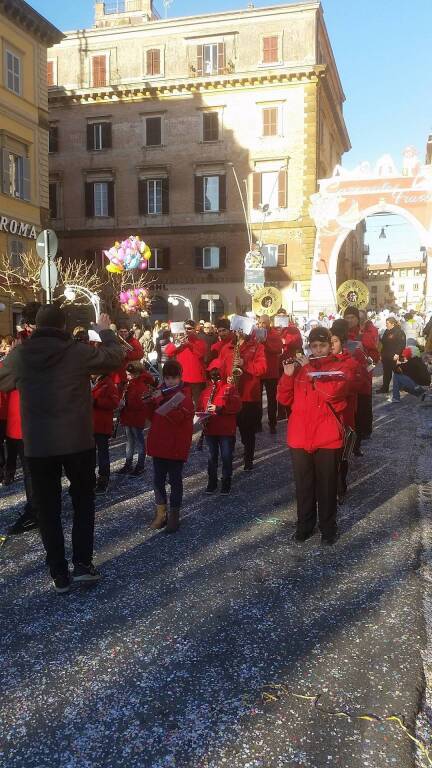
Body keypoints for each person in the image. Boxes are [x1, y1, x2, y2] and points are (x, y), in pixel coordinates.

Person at [0, 306, 124, 593]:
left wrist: (16, 356)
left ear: (34, 326)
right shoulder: (77, 351)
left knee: (48, 509)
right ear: (64, 325)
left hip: (39, 444)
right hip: (77, 441)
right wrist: (105, 331)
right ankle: (82, 564)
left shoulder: (21, 354)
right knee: (83, 502)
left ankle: (58, 572)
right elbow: (115, 358)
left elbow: (3, 381)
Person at [277, 326, 349, 545]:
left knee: (327, 486)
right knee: (304, 485)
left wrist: (310, 371)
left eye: (322, 345)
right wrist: (288, 377)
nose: (317, 349)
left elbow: (332, 393)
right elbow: (283, 399)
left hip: (326, 435)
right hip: (300, 435)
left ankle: (328, 528)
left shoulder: (338, 367)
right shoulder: (299, 369)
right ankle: (304, 525)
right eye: (314, 345)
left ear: (329, 345)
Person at [146, 360, 195, 533]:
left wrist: (159, 401)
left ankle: (174, 515)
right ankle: (161, 514)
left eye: (174, 378)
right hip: (160, 444)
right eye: (167, 378)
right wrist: (149, 401)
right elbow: (152, 418)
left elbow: (177, 418)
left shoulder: (185, 395)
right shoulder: (161, 391)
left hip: (175, 445)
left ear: (180, 377)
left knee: (175, 481)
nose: (170, 382)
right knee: (158, 481)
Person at [217, 328, 267, 470]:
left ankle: (248, 460)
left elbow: (262, 368)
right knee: (228, 432)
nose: (239, 332)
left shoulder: (257, 346)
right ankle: (228, 459)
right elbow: (220, 367)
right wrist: (223, 378)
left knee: (248, 433)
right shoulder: (226, 347)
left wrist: (245, 363)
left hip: (248, 397)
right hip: (230, 394)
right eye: (237, 329)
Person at [197, 362, 241, 494]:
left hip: (226, 430)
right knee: (212, 457)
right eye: (213, 376)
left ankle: (226, 481)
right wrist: (201, 416)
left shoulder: (230, 388)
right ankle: (212, 482)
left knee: (226, 456)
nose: (215, 379)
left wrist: (220, 409)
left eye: (217, 376)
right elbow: (199, 408)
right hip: (210, 429)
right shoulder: (205, 392)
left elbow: (237, 407)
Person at [118, 361, 154, 476]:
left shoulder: (141, 386)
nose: (127, 376)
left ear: (136, 374)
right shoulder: (130, 384)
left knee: (139, 441)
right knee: (129, 441)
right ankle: (128, 463)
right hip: (128, 416)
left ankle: (140, 465)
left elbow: (141, 404)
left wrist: (125, 403)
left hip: (136, 417)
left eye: (129, 374)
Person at [165, 320, 207, 406]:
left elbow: (200, 354)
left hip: (196, 378)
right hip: (183, 377)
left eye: (189, 329)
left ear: (195, 329)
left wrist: (189, 344)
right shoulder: (179, 342)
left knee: (197, 402)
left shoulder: (200, 341)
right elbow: (168, 352)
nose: (186, 331)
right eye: (185, 329)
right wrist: (177, 343)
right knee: (184, 401)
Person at [91, 372, 120, 494]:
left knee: (103, 453)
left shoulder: (108, 383)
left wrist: (96, 402)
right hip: (89, 425)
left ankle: (104, 480)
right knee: (90, 454)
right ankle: (91, 479)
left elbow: (114, 403)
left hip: (102, 425)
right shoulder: (89, 382)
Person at [257, 315, 283, 434]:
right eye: (260, 323)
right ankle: (258, 423)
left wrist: (265, 343)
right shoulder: (256, 333)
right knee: (257, 400)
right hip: (259, 372)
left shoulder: (275, 334)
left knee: (272, 400)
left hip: (271, 372)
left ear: (269, 323)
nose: (262, 325)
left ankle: (272, 424)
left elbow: (278, 350)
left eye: (264, 323)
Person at [377, 316, 406, 394]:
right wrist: (381, 354)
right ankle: (385, 388)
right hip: (386, 355)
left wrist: (397, 353)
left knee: (397, 371)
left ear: (392, 324)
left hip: (394, 355)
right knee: (386, 373)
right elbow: (383, 343)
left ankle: (402, 386)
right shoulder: (386, 331)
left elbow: (402, 344)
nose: (386, 325)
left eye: (387, 323)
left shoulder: (399, 332)